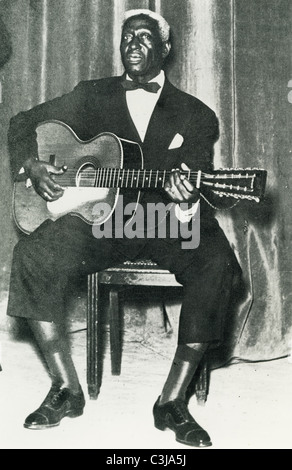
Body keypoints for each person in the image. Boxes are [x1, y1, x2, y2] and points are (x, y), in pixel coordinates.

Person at [7, 9, 240, 447]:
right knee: (33, 254)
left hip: (166, 219)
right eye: (127, 35)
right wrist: (32, 164)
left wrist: (187, 197)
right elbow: (21, 123)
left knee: (217, 263)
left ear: (165, 50)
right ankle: (65, 388)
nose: (133, 42)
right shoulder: (91, 95)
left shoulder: (197, 115)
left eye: (145, 36)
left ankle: (172, 400)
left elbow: (197, 178)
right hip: (100, 220)